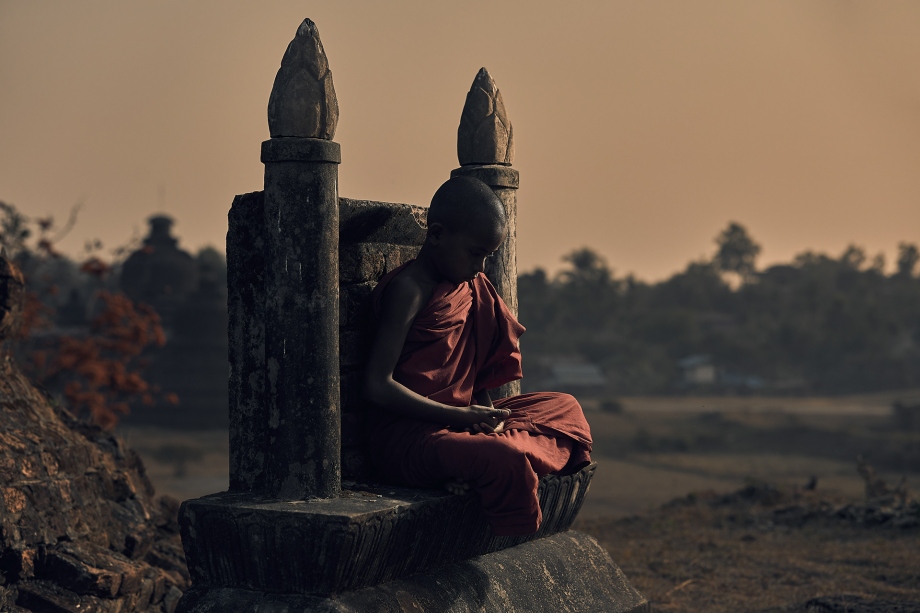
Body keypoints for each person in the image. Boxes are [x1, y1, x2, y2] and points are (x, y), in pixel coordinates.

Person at [363, 175, 592, 536]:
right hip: (412, 437)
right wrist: (459, 417)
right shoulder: (409, 291)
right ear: (436, 234)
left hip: (460, 424)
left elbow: (478, 373)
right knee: (506, 459)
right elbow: (378, 385)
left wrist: (487, 419)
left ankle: (474, 465)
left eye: (487, 256)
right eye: (474, 253)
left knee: (567, 409)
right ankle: (494, 478)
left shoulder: (473, 287)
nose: (481, 267)